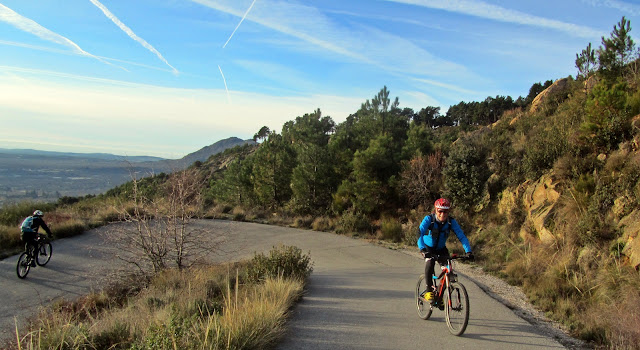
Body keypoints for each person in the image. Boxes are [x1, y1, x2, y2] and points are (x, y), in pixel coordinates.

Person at [417, 198, 473, 302]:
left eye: (445, 211)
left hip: (441, 249)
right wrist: (423, 250)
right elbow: (419, 233)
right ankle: (429, 291)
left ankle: (440, 296)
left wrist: (468, 251)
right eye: (440, 211)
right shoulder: (429, 219)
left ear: (448, 211)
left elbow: (462, 236)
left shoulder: (451, 222)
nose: (442, 214)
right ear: (436, 210)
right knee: (430, 264)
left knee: (449, 272)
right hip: (428, 248)